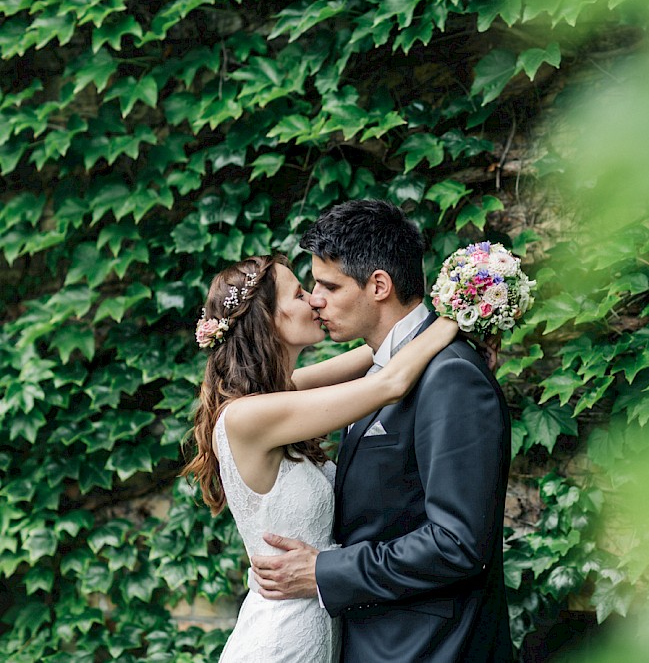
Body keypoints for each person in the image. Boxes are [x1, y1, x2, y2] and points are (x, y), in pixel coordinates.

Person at [250, 200, 514, 662]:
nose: (315, 299)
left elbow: (457, 543)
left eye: (329, 285)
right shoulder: (381, 368)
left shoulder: (451, 376)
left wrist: (325, 571)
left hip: (430, 649)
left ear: (378, 285)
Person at [183, 253, 459, 663]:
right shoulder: (249, 416)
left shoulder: (279, 396)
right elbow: (391, 382)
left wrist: (415, 323)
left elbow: (380, 352)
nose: (314, 300)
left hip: (318, 630)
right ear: (268, 320)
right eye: (299, 294)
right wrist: (460, 317)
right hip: (280, 644)